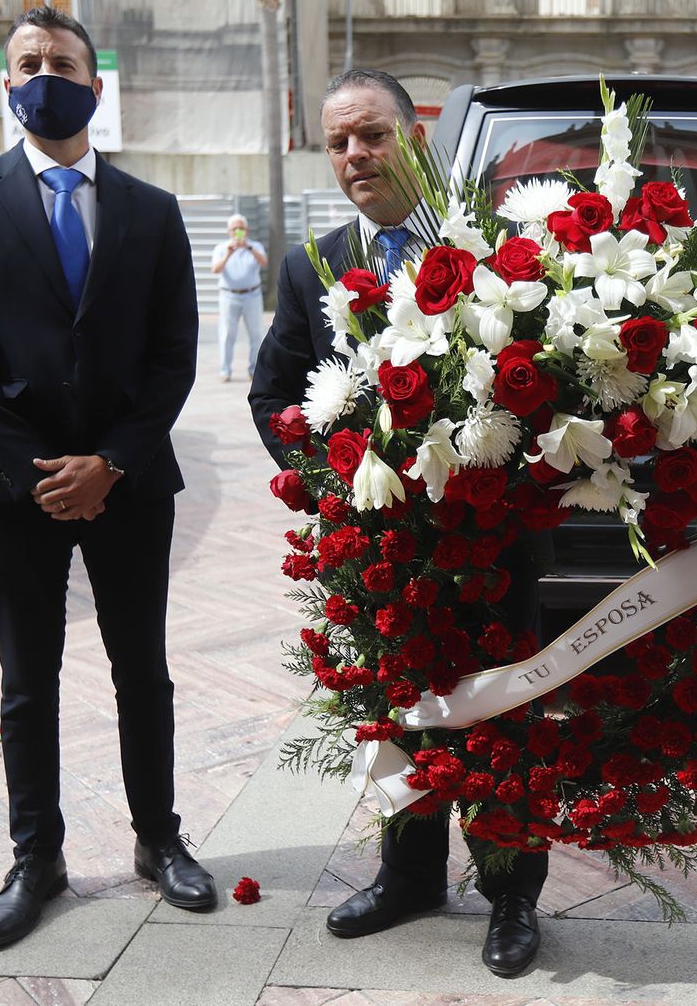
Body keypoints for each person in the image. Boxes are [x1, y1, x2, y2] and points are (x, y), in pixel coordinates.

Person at [0, 5, 215, 950]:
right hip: (15, 487)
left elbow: (175, 356)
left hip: (130, 482)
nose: (46, 73)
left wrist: (113, 461)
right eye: (28, 62)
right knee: (26, 679)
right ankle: (34, 856)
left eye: (63, 62)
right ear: (8, 86)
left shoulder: (153, 211)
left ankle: (158, 839)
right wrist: (37, 469)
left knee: (144, 672)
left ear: (96, 84)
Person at [248, 69, 548, 978]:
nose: (354, 157)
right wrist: (330, 485)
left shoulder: (493, 247)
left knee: (500, 719)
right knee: (398, 718)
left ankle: (510, 897)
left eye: (371, 135)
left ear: (413, 137)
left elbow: (546, 376)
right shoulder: (315, 263)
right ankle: (409, 877)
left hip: (490, 543)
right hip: (381, 550)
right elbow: (275, 393)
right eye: (338, 143)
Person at [211, 213, 268, 382]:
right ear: (229, 231)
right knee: (227, 334)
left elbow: (264, 262)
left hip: (252, 294)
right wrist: (229, 254)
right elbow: (215, 269)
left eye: (241, 228)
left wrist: (248, 248)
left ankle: (254, 368)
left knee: (256, 333)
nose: (237, 232)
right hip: (229, 295)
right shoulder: (222, 248)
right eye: (234, 229)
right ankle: (225, 369)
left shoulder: (255, 246)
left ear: (247, 230)